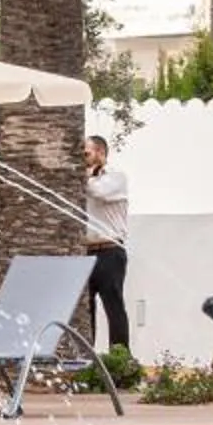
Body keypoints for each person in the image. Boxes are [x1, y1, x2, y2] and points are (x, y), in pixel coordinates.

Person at [83, 132, 132, 356]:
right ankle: (85, 358)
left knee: (113, 306)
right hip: (85, 251)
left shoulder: (116, 177)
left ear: (100, 153)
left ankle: (120, 357)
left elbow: (99, 192)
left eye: (86, 153)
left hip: (109, 250)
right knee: (85, 308)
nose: (82, 157)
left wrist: (85, 175)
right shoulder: (84, 179)